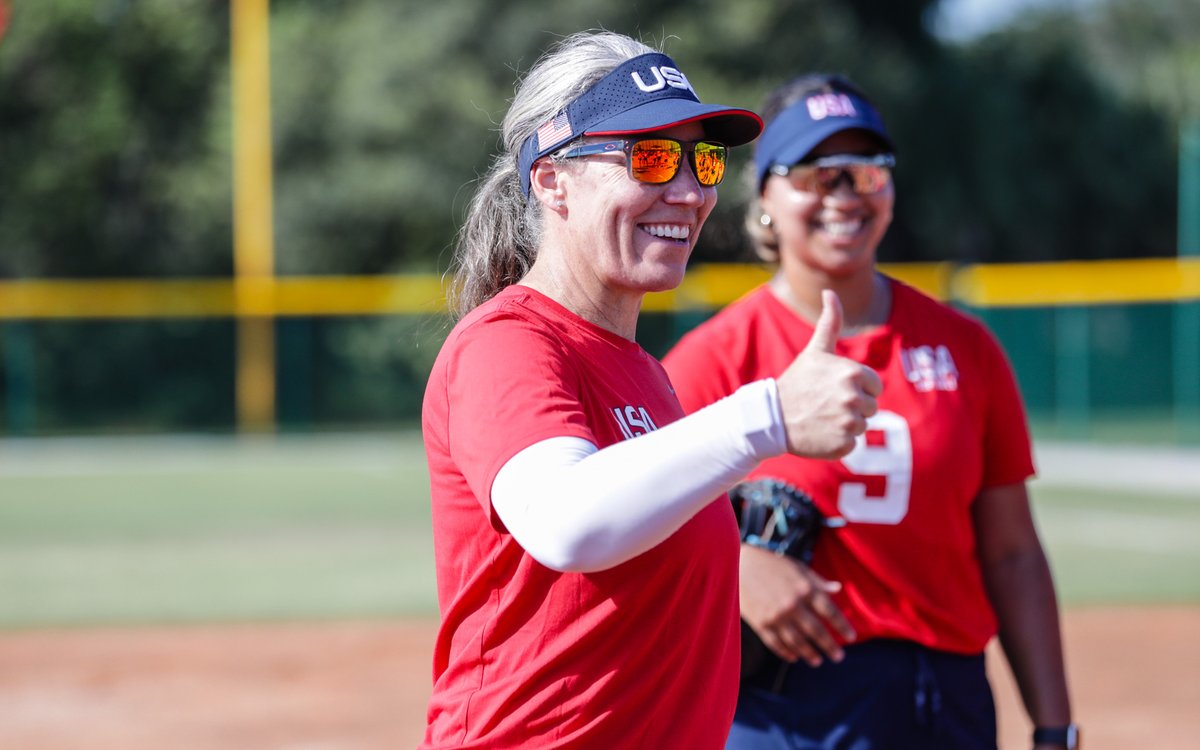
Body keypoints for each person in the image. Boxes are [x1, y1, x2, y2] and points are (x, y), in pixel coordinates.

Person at [420, 35, 883, 749]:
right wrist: (768, 417)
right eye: (650, 157)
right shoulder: (507, 343)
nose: (692, 191)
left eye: (702, 161)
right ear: (551, 179)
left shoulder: (643, 371)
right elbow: (566, 523)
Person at [662, 74, 1077, 750]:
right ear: (765, 195)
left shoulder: (964, 348)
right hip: (783, 711)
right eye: (816, 175)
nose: (845, 195)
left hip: (943, 702)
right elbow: (633, 526)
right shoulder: (713, 358)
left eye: (866, 172)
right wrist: (735, 567)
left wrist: (1055, 727)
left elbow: (1013, 555)